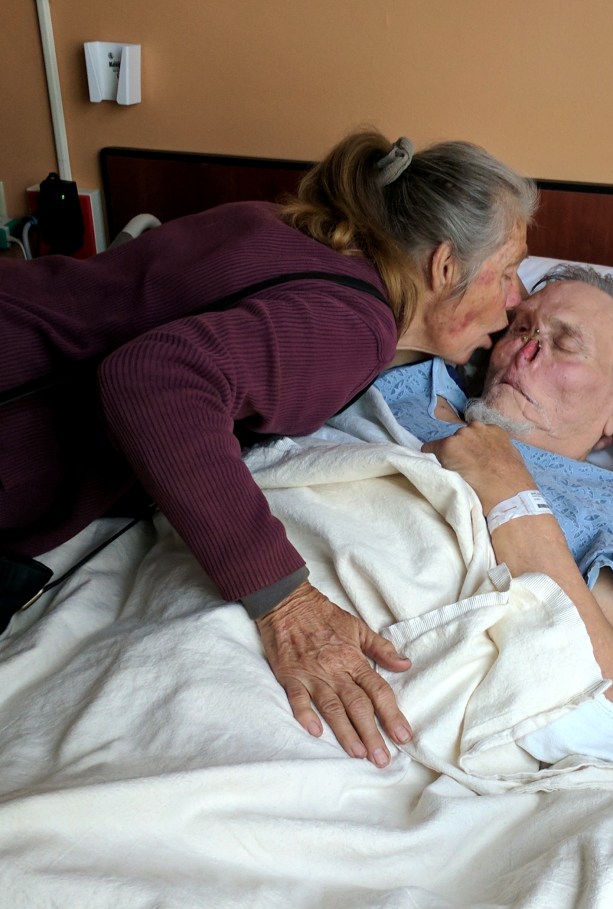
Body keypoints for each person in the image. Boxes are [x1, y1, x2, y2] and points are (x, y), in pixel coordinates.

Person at [0, 129, 536, 768]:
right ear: (444, 267)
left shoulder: (289, 230)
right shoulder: (355, 327)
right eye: (506, 272)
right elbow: (153, 380)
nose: (514, 299)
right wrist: (286, 600)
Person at [375, 264, 613, 774]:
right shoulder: (401, 382)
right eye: (521, 328)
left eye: (566, 344)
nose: (526, 349)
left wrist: (510, 494)